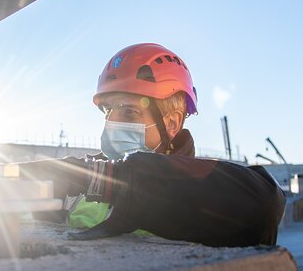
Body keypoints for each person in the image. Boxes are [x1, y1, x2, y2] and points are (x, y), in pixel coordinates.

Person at [18, 43, 285, 247]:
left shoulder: (205, 189)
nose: (112, 123)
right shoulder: (78, 179)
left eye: (129, 112)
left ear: (171, 123)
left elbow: (266, 203)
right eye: (108, 110)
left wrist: (108, 181)